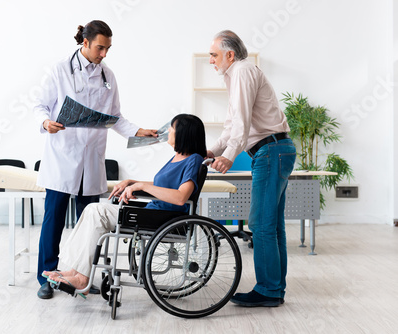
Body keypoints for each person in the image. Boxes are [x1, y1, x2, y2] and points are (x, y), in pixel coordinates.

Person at [34, 20, 157, 299]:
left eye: (108, 49)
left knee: (91, 225)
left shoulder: (108, 76)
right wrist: (45, 122)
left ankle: (83, 277)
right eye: (100, 48)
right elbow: (39, 105)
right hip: (62, 158)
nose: (104, 54)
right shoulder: (59, 69)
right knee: (53, 221)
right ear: (85, 43)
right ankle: (47, 277)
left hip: (91, 159)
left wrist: (138, 131)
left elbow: (115, 117)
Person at [42, 114, 207, 293]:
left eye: (172, 128)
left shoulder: (193, 160)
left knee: (97, 211)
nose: (168, 131)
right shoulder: (178, 157)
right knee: (91, 210)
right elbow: (161, 187)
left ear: (184, 134)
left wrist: (142, 185)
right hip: (154, 212)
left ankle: (81, 278)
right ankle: (76, 271)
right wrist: (131, 182)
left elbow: (180, 197)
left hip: (164, 218)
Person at [207, 30, 296, 307]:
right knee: (272, 225)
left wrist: (230, 156)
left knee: (260, 224)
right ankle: (274, 288)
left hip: (270, 151)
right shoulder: (234, 77)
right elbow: (231, 126)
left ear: (230, 54)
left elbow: (243, 124)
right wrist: (211, 151)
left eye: (214, 55)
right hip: (274, 150)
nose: (211, 60)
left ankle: (269, 290)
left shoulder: (243, 71)